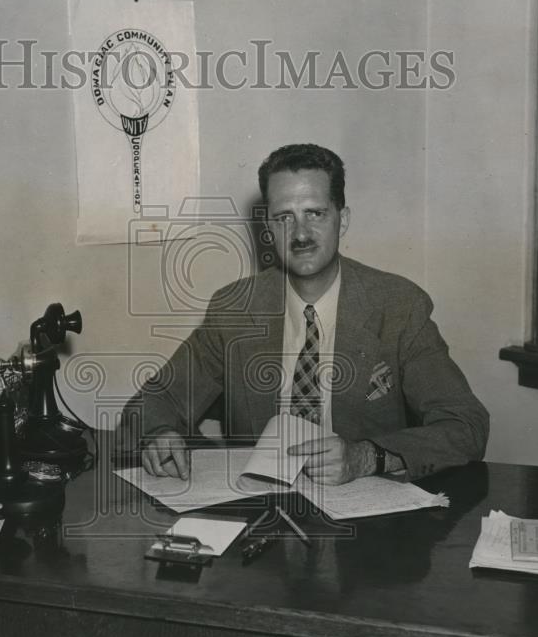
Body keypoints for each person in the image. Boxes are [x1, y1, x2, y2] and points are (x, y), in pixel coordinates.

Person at [116, 144, 488, 484]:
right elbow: (155, 399)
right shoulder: (235, 308)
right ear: (267, 228)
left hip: (367, 518)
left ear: (342, 219)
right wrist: (161, 433)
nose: (300, 233)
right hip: (264, 510)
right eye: (284, 217)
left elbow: (465, 425)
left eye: (315, 213)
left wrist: (366, 457)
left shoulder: (398, 306)